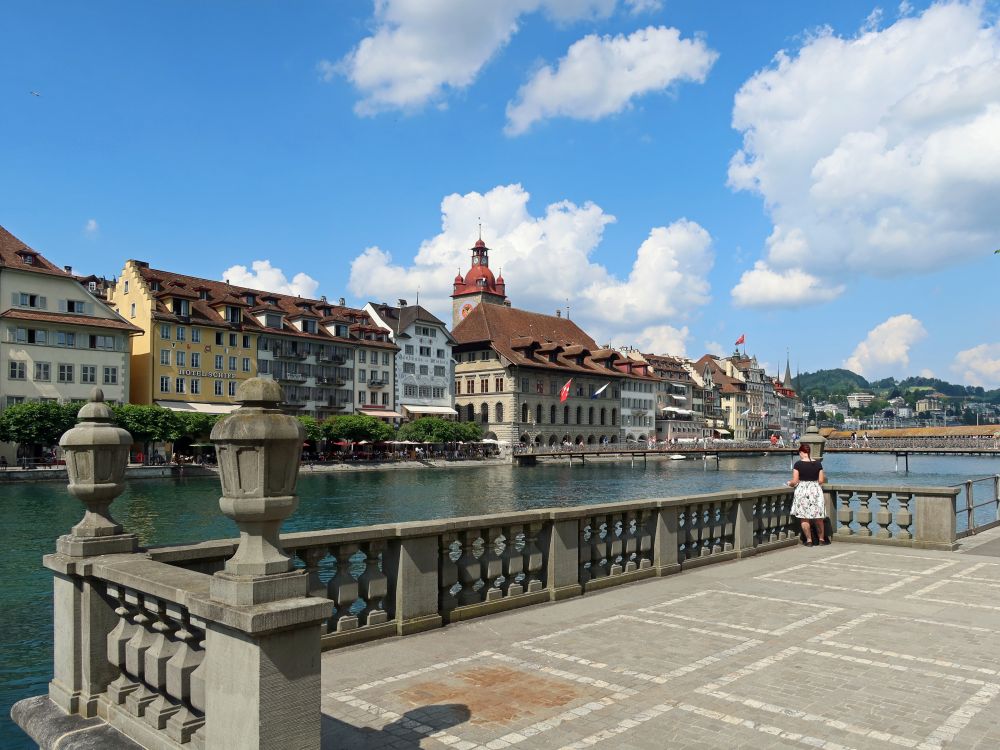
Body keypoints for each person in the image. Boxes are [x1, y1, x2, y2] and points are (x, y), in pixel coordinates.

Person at [787, 443, 829, 546]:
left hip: (802, 491)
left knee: (804, 517)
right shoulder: (818, 464)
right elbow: (821, 480)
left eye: (799, 453)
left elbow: (795, 481)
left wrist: (790, 483)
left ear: (801, 452)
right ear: (809, 452)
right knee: (819, 517)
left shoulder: (798, 464)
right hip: (815, 490)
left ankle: (809, 540)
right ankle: (821, 539)